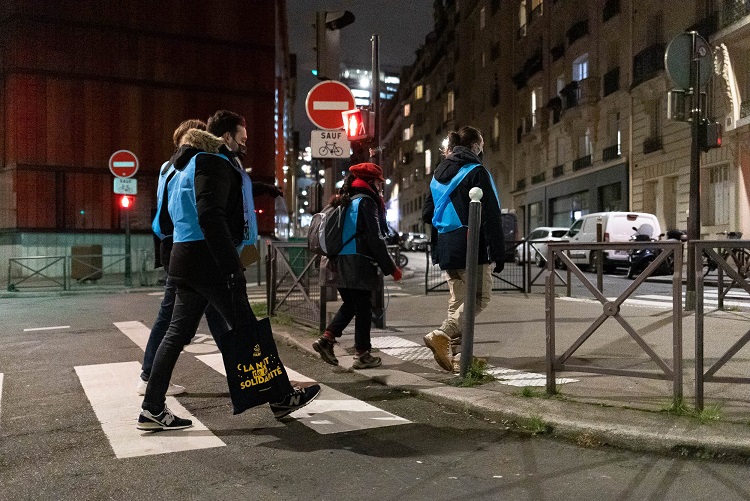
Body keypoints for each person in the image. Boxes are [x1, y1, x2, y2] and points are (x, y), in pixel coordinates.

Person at [137, 110, 320, 430]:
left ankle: (152, 407)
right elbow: (211, 217)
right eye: (242, 140)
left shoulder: (178, 168)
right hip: (209, 262)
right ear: (223, 139)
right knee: (248, 330)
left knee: (176, 333)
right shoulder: (210, 162)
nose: (243, 146)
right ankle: (281, 397)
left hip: (183, 257)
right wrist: (232, 268)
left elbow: (164, 221)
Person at [137, 119, 227, 397]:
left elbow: (162, 216)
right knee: (178, 319)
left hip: (174, 248)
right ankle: (149, 378)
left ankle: (150, 382)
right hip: (192, 250)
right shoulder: (190, 166)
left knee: (202, 318)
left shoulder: (168, 168)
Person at [421, 126, 505, 373]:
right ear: (476, 146)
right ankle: (442, 334)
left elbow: (427, 213)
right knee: (478, 298)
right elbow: (490, 214)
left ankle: (457, 357)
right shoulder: (476, 171)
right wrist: (498, 252)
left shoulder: (438, 173)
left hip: (445, 245)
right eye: (482, 146)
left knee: (458, 301)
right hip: (470, 244)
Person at [312, 162, 402, 369]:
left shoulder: (345, 200)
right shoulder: (365, 202)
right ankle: (362, 354)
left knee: (353, 305)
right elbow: (375, 238)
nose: (380, 187)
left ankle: (327, 339)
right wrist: (391, 267)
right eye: (379, 183)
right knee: (362, 308)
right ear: (370, 181)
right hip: (357, 261)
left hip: (338, 260)